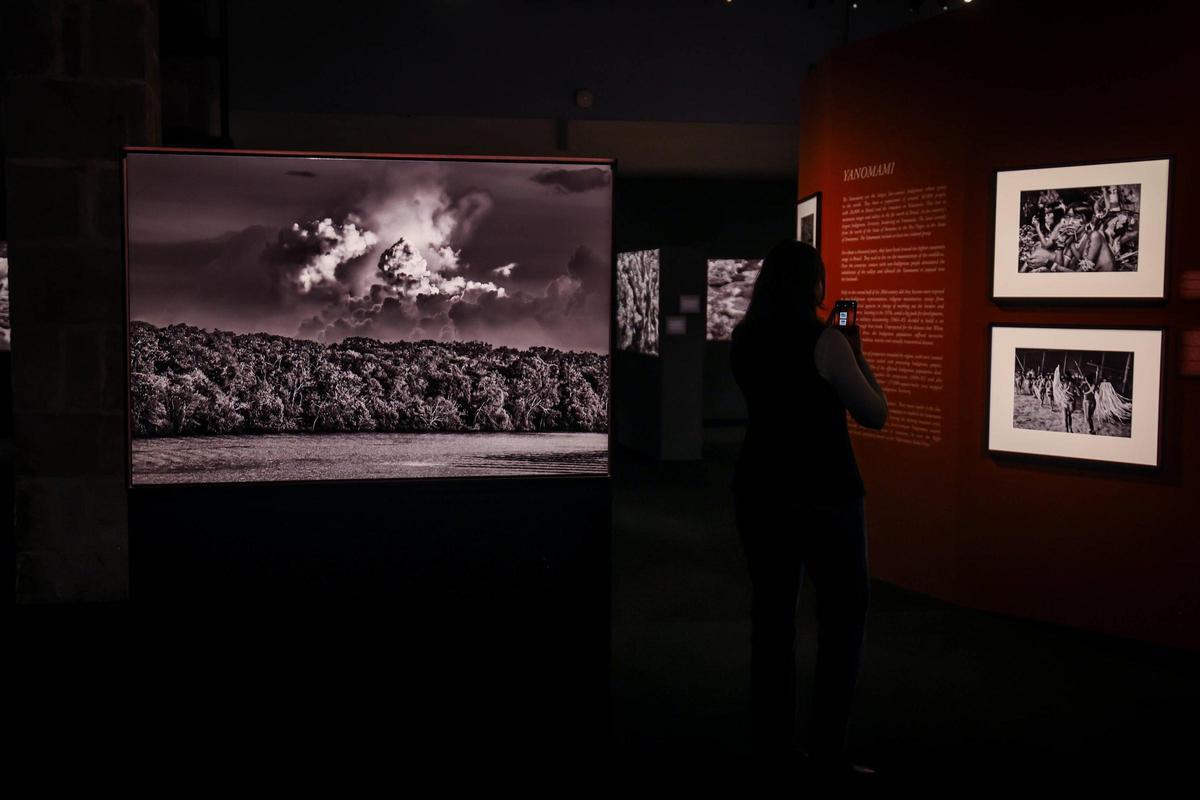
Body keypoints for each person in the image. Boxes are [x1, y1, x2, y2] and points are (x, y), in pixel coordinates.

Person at [730, 240, 888, 778]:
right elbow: (876, 413)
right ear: (815, 285)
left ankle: (772, 747)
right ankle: (827, 753)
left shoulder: (744, 337)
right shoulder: (827, 342)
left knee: (772, 619)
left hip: (760, 488)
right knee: (842, 619)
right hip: (826, 493)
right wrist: (855, 348)